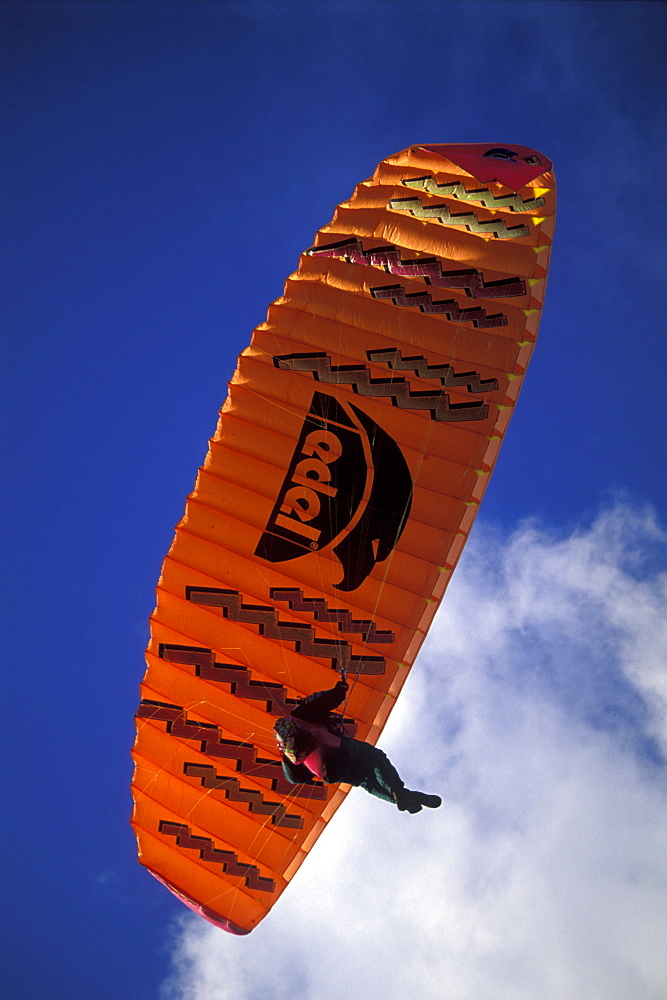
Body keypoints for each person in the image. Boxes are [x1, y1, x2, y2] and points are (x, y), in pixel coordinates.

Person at [274, 677, 441, 813]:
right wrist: (340, 689)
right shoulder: (299, 715)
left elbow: (295, 778)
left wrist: (286, 759)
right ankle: (398, 791)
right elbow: (323, 701)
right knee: (375, 757)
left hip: (332, 773)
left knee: (364, 780)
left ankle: (405, 798)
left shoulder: (291, 756)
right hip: (343, 752)